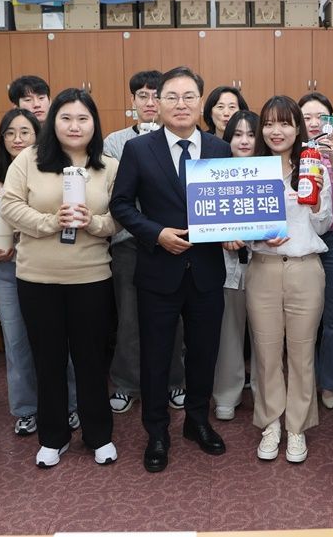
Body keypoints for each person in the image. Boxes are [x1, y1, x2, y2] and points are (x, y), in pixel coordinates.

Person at [109, 66, 232, 473]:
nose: (181, 104)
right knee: (156, 356)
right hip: (158, 270)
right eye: (172, 97)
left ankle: (197, 422)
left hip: (207, 270)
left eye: (189, 96)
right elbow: (120, 204)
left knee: (204, 353)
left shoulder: (218, 148)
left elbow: (228, 204)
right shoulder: (138, 150)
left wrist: (235, 232)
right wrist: (156, 233)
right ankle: (157, 432)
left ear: (201, 102)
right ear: (157, 104)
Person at [0, 88, 119, 468]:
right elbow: (9, 206)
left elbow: (120, 218)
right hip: (38, 277)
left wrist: (94, 222)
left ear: (94, 124)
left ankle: (99, 435)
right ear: (53, 122)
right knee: (47, 359)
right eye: (66, 118)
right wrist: (50, 222)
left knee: (91, 360)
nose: (74, 126)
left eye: (83, 118)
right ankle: (53, 437)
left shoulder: (108, 166)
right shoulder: (29, 159)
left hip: (91, 276)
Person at [229, 96, 332, 463]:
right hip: (264, 268)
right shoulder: (250, 171)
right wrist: (255, 235)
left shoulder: (313, 165)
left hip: (305, 268)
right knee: (266, 352)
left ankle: (297, 427)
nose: (277, 131)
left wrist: (315, 197)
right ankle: (271, 423)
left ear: (297, 128)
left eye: (285, 123)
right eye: (270, 123)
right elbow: (237, 225)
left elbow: (323, 224)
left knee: (302, 353)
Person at [0, 109, 80, 436]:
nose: (17, 139)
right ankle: (26, 409)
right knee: (17, 341)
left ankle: (71, 404)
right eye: (10, 133)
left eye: (25, 132)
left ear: (39, 136)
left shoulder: (53, 172)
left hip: (48, 265)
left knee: (60, 341)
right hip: (9, 269)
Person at [103, 71, 187, 415]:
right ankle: (126, 383)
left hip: (175, 242)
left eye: (157, 95)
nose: (150, 103)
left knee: (175, 318)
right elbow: (119, 193)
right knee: (129, 318)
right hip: (129, 242)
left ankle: (175, 380)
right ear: (133, 101)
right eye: (143, 96)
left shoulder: (182, 138)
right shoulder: (115, 142)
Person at [297, 92, 333, 410]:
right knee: (304, 318)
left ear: (332, 121)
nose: (314, 123)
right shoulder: (293, 155)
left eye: (321, 117)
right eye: (307, 117)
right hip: (302, 240)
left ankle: (330, 381)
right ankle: (304, 381)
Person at [212, 110, 260, 421]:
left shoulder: (271, 171)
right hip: (226, 265)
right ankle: (226, 394)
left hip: (264, 262)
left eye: (251, 134)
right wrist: (221, 235)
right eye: (237, 134)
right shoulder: (214, 173)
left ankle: (264, 393)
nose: (244, 141)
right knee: (228, 333)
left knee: (265, 335)